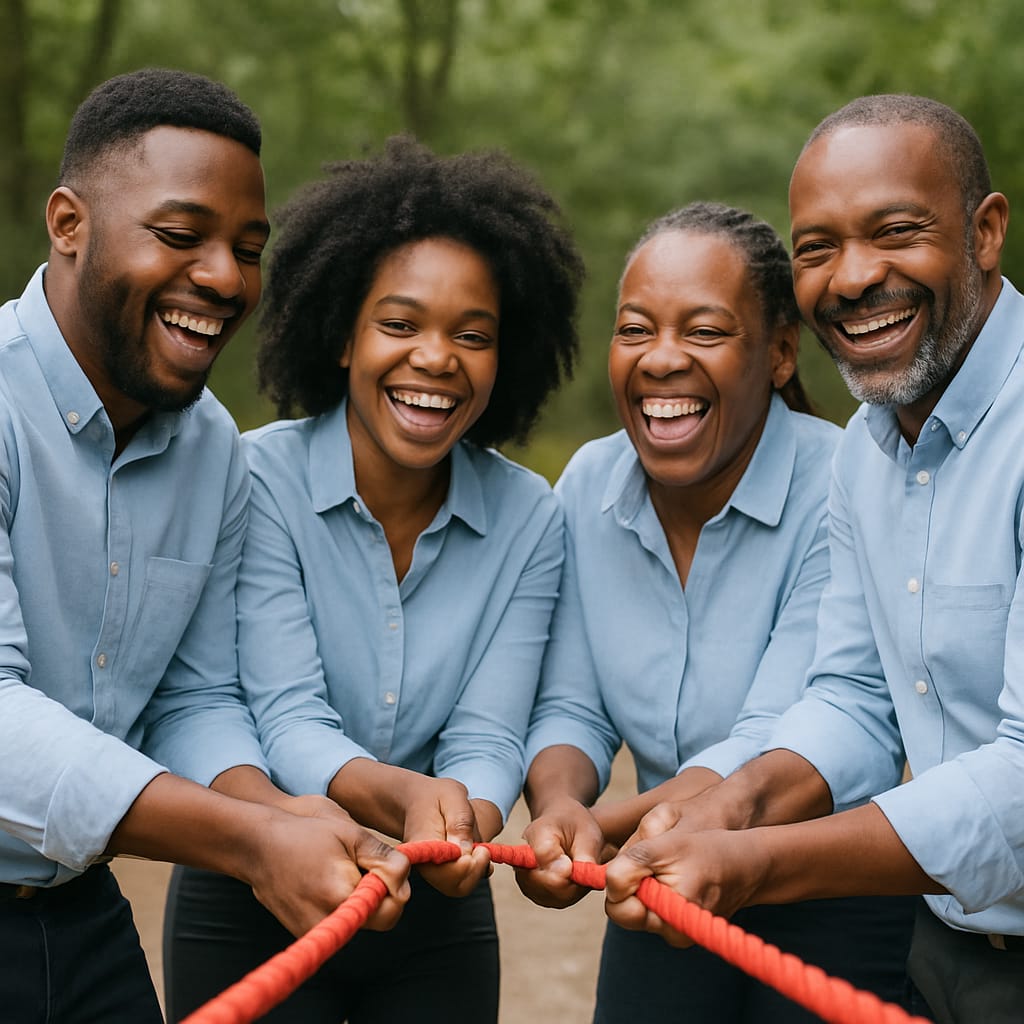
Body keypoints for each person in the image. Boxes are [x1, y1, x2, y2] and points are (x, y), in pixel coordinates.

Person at [0, 68, 410, 1024]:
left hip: (77, 913)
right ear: (69, 223)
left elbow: (190, 693)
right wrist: (248, 841)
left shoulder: (216, 448)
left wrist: (278, 808)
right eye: (181, 236)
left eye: (248, 248)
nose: (226, 279)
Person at [605, 95, 1022, 1024]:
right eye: (818, 248)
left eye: (896, 232)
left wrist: (754, 861)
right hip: (944, 952)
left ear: (986, 232)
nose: (853, 277)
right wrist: (727, 803)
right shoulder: (866, 453)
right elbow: (855, 698)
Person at [163, 134, 584, 1023]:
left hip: (437, 904)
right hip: (252, 887)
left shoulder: (533, 519)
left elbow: (488, 729)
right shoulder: (255, 480)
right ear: (343, 336)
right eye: (400, 324)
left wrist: (467, 814)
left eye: (473, 336)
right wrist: (398, 794)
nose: (436, 358)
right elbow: (284, 710)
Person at [519, 201, 917, 1022]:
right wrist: (559, 805)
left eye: (703, 331)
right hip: (661, 881)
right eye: (635, 329)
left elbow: (780, 723)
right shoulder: (588, 487)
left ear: (777, 354)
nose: (662, 359)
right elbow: (571, 702)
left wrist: (608, 829)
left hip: (827, 890)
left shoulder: (845, 479)